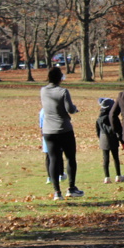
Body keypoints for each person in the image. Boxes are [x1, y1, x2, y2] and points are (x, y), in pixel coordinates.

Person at [41, 66, 83, 200]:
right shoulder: (63, 91)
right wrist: (75, 109)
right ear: (60, 78)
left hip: (48, 130)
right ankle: (71, 188)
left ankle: (57, 192)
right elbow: (69, 109)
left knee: (53, 159)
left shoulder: (43, 91)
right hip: (63, 129)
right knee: (70, 158)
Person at [96, 97, 124, 184]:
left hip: (103, 139)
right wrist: (122, 141)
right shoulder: (113, 118)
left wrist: (100, 139)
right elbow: (119, 130)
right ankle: (118, 176)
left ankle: (107, 177)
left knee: (105, 159)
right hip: (113, 138)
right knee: (116, 158)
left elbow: (97, 131)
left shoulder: (99, 118)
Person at [40, 108, 65, 185]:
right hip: (57, 132)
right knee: (58, 155)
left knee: (48, 156)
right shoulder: (57, 108)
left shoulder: (43, 110)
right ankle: (60, 174)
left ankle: (50, 177)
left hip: (47, 133)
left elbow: (41, 125)